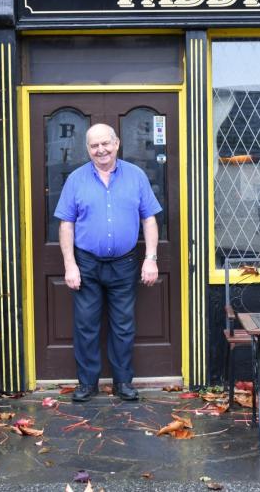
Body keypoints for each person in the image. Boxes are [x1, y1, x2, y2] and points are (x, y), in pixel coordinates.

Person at [54, 123, 161, 402]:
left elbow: (149, 219)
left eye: (105, 143)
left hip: (125, 264)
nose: (100, 150)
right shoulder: (76, 179)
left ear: (116, 143)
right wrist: (70, 265)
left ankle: (123, 382)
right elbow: (66, 225)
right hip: (87, 263)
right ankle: (87, 384)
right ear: (87, 149)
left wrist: (150, 258)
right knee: (86, 325)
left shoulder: (136, 176)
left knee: (123, 326)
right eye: (94, 145)